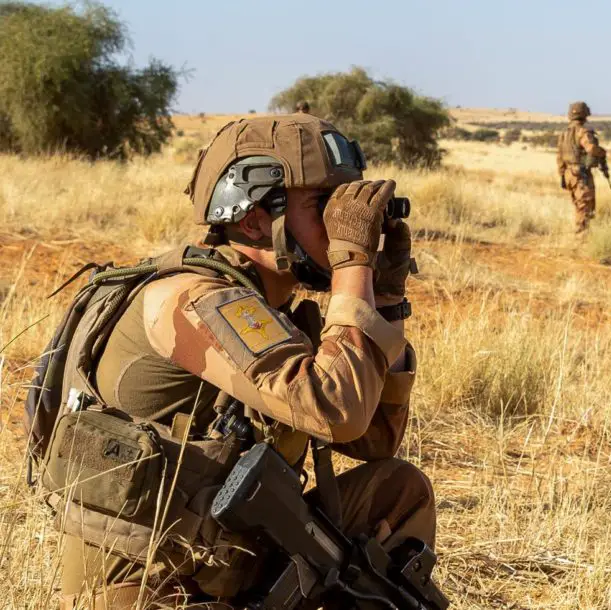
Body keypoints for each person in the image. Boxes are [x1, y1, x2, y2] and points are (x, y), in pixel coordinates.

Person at [41, 114, 432, 608]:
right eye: (323, 206)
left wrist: (386, 295)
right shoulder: (197, 300)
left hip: (232, 564)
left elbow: (374, 439)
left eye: (346, 205)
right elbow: (337, 409)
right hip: (154, 587)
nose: (342, 223)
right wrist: (353, 267)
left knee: (397, 490)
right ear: (253, 219)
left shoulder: (275, 308)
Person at [555, 101, 606, 232]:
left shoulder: (564, 134)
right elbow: (591, 148)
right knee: (585, 206)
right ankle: (581, 237)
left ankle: (580, 234)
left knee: (578, 205)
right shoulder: (582, 132)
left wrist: (562, 175)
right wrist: (602, 152)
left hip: (568, 174)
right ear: (584, 114)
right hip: (580, 175)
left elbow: (559, 156)